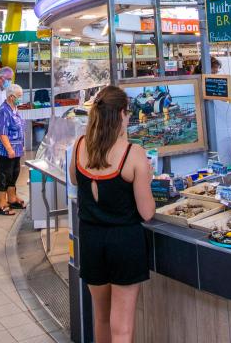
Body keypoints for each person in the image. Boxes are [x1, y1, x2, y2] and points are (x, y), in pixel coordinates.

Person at [68, 85, 155, 343]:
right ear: (121, 115)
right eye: (128, 113)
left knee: (101, 319)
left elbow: (75, 179)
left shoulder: (80, 145)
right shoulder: (133, 154)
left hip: (91, 240)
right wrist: (147, 177)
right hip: (124, 242)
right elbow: (147, 212)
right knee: (122, 328)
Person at [0, 84, 26, 215]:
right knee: (5, 175)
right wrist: (9, 149)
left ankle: (12, 199)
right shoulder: (3, 110)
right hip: (5, 150)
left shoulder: (14, 108)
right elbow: (1, 132)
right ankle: (2, 203)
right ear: (11, 97)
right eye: (19, 96)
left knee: (14, 173)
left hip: (16, 148)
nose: (21, 98)